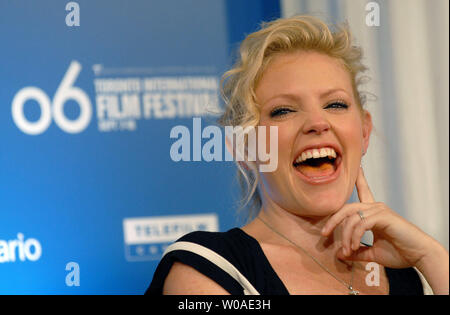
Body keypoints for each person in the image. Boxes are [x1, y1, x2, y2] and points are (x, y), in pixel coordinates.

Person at [146, 15, 449, 295]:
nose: (318, 123)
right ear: (244, 149)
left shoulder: (403, 276)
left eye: (335, 105)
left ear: (364, 131)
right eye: (284, 110)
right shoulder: (208, 269)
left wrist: (432, 257)